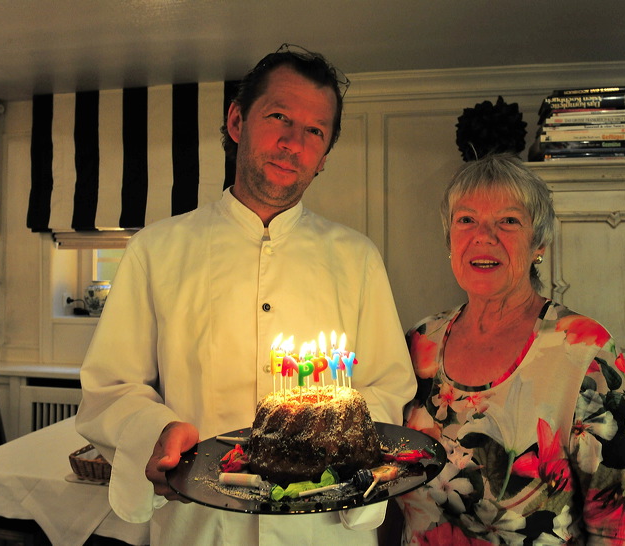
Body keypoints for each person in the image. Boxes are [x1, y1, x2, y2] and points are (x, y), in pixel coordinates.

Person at [75, 44, 415, 544]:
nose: (293, 142)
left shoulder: (357, 258)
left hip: (320, 531)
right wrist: (156, 432)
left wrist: (335, 445)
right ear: (237, 122)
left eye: (315, 131)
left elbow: (388, 386)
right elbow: (110, 388)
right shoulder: (157, 250)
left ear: (323, 157)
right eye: (279, 116)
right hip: (199, 528)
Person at [392, 154, 625, 544]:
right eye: (467, 220)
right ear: (450, 240)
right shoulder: (420, 342)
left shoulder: (584, 349)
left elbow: (618, 522)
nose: (484, 236)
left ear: (539, 244)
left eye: (508, 221)